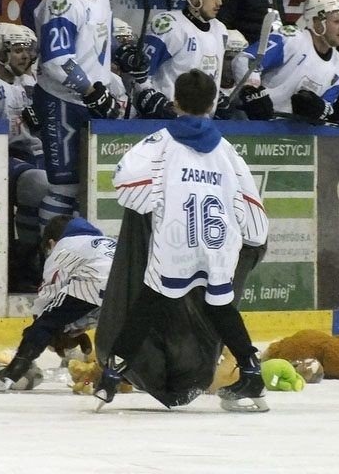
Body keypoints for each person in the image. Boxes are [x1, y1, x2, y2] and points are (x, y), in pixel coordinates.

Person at [94, 68, 269, 412]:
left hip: (176, 240)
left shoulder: (160, 142)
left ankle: (110, 378)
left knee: (147, 305)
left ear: (175, 102)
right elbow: (251, 207)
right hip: (217, 245)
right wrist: (251, 237)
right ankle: (252, 373)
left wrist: (153, 199)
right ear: (213, 103)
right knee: (220, 308)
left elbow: (125, 179)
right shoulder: (227, 152)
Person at [33, 0, 118, 229]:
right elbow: (57, 60)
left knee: (92, 185)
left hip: (93, 98)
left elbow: (100, 43)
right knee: (65, 188)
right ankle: (47, 256)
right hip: (61, 100)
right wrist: (90, 89)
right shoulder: (62, 1)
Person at [0, 214, 115, 391]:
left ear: (51, 242)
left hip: (93, 282)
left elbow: (49, 294)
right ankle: (123, 376)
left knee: (46, 322)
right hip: (128, 288)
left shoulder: (63, 247)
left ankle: (12, 373)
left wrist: (40, 328)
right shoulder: (104, 241)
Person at [0, 21, 48, 292]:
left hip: (31, 155)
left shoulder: (30, 83)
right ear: (0, 51)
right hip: (0, 158)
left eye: (28, 50)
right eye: (17, 49)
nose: (25, 56)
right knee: (37, 184)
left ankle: (40, 260)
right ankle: (22, 262)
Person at [232, 0, 339, 123]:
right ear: (317, 23)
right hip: (253, 124)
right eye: (337, 21)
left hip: (294, 135)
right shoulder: (292, 39)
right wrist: (252, 92)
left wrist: (318, 109)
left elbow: (327, 107)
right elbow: (245, 59)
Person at [133, 0, 228, 119]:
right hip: (169, 123)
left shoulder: (221, 30)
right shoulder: (170, 26)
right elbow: (141, 74)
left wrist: (218, 96)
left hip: (203, 124)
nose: (219, 2)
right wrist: (152, 100)